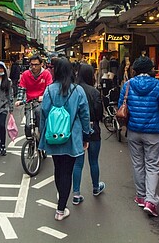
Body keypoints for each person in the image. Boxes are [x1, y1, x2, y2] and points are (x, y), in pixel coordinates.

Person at [118, 56, 159, 217]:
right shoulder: (158, 85)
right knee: (152, 165)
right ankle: (151, 200)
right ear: (149, 70)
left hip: (133, 131)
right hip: (153, 132)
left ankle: (140, 196)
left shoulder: (128, 85)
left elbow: (121, 107)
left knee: (138, 164)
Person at [39, 57, 92, 221]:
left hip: (53, 136)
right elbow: (84, 115)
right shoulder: (77, 90)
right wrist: (87, 134)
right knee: (67, 172)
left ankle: (61, 201)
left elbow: (44, 113)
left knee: (58, 168)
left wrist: (43, 135)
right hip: (72, 136)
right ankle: (61, 209)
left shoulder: (48, 90)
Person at [72, 63, 105, 205]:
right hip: (93, 129)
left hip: (77, 129)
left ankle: (76, 193)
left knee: (78, 163)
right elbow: (99, 114)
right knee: (93, 161)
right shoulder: (95, 92)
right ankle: (96, 187)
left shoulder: (73, 90)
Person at [15, 54, 53, 134]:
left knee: (39, 112)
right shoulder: (25, 74)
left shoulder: (46, 74)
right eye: (32, 65)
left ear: (41, 64)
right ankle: (30, 141)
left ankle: (41, 135)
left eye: (36, 65)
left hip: (42, 102)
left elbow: (49, 89)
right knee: (28, 125)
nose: (34, 67)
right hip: (30, 101)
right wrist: (19, 100)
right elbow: (22, 88)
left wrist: (44, 97)